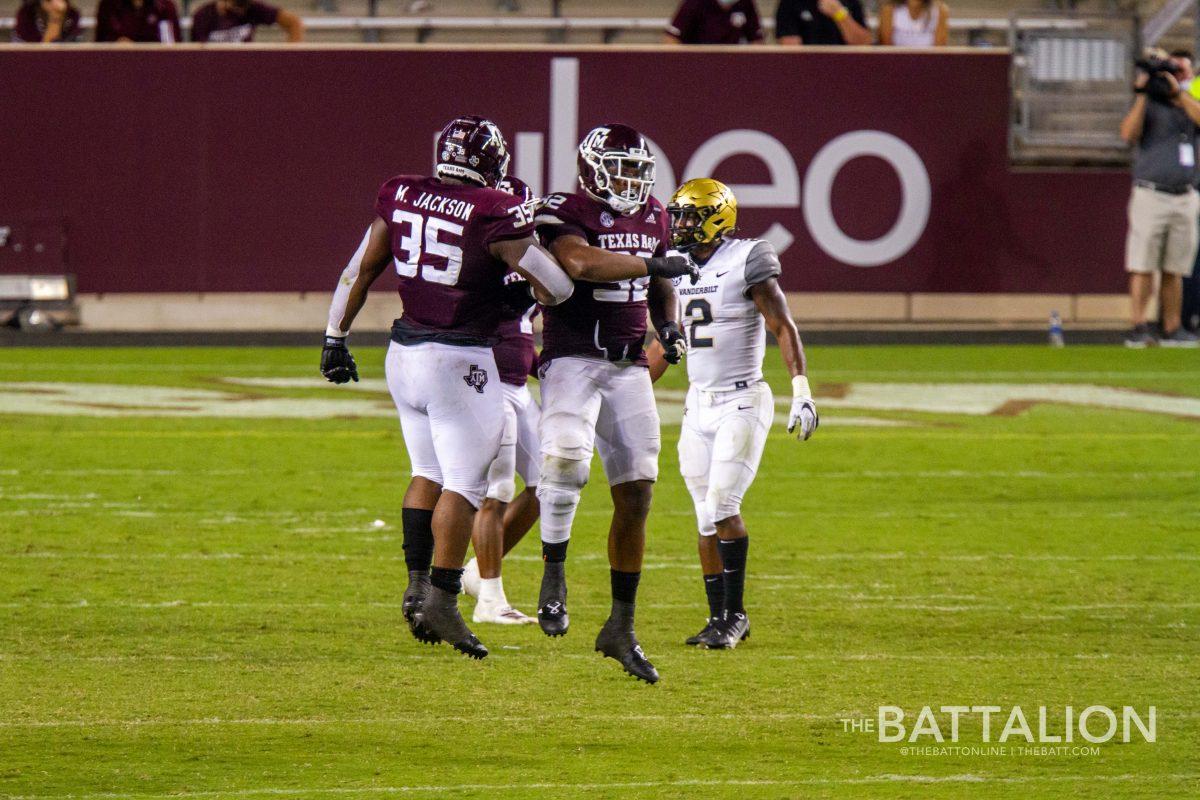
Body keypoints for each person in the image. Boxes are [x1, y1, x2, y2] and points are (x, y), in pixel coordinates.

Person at [319, 116, 578, 660]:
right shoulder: (492, 209)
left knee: (427, 474)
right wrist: (523, 298)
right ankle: (441, 599)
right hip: (459, 360)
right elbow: (556, 284)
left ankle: (417, 587)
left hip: (403, 355)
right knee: (462, 484)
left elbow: (360, 269)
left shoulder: (403, 192)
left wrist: (334, 336)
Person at [532, 123, 698, 684]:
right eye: (621, 167)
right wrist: (654, 266)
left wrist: (668, 328)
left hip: (628, 365)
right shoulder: (564, 210)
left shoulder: (652, 213)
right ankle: (553, 575)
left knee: (638, 492)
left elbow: (662, 283)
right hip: (572, 357)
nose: (632, 179)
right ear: (592, 169)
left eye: (637, 168)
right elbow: (578, 263)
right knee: (565, 463)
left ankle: (620, 627)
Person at [648, 178, 817, 650]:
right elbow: (664, 345)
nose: (680, 225)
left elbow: (781, 324)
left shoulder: (747, 258)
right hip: (697, 403)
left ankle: (735, 615)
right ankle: (718, 617)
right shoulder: (672, 268)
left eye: (690, 217)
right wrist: (628, 396)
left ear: (717, 219)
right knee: (705, 518)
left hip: (742, 399)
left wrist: (800, 388)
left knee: (723, 505)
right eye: (677, 215)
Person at [460, 175, 544, 626]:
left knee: (551, 484)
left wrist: (545, 367)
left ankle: (476, 571)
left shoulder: (524, 259)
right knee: (496, 491)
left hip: (516, 385)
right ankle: (490, 599)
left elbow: (523, 334)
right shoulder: (479, 260)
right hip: (484, 385)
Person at [1119, 53, 1200, 347]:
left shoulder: (1189, 102)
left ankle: (1172, 326)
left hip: (1184, 196)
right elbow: (1127, 133)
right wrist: (1143, 93)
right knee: (1142, 264)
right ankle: (1138, 325)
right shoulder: (1150, 105)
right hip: (1151, 193)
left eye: (1178, 70)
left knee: (1174, 268)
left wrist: (1179, 93)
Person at [190, 0, 303, 42]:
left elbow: (294, 23)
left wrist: (289, 58)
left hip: (245, 69)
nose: (241, 12)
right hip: (214, 73)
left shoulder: (252, 7)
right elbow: (198, 54)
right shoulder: (203, 15)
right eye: (237, 6)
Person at [663, 0, 764, 45]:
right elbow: (671, 40)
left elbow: (756, 41)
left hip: (731, 66)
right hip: (698, 64)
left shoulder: (745, 3)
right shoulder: (695, 3)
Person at [775, 0, 870, 45]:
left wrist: (840, 15)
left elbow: (863, 43)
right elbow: (790, 50)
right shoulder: (790, 3)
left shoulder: (850, 2)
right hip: (807, 71)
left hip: (846, 68)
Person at [93, 0, 181, 42]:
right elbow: (100, 45)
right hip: (118, 68)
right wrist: (116, 45)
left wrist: (138, 51)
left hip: (156, 69)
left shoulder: (164, 8)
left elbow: (169, 47)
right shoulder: (108, 7)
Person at [878, 0, 948, 47]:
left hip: (928, 65)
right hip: (896, 65)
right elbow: (886, 50)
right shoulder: (889, 10)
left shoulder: (940, 11)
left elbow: (939, 52)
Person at [12, 0, 82, 42]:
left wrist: (57, 17)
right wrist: (55, 18)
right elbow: (42, 55)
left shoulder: (73, 15)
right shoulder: (26, 14)